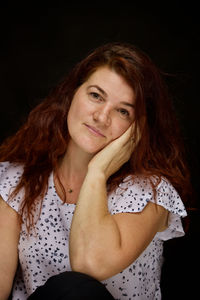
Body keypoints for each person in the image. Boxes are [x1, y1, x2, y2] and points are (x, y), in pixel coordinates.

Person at [0, 42, 192, 300]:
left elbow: (89, 265)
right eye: (96, 96)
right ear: (72, 94)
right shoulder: (18, 180)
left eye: (123, 111)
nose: (102, 117)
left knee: (76, 289)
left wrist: (97, 172)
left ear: (137, 130)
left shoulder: (149, 194)